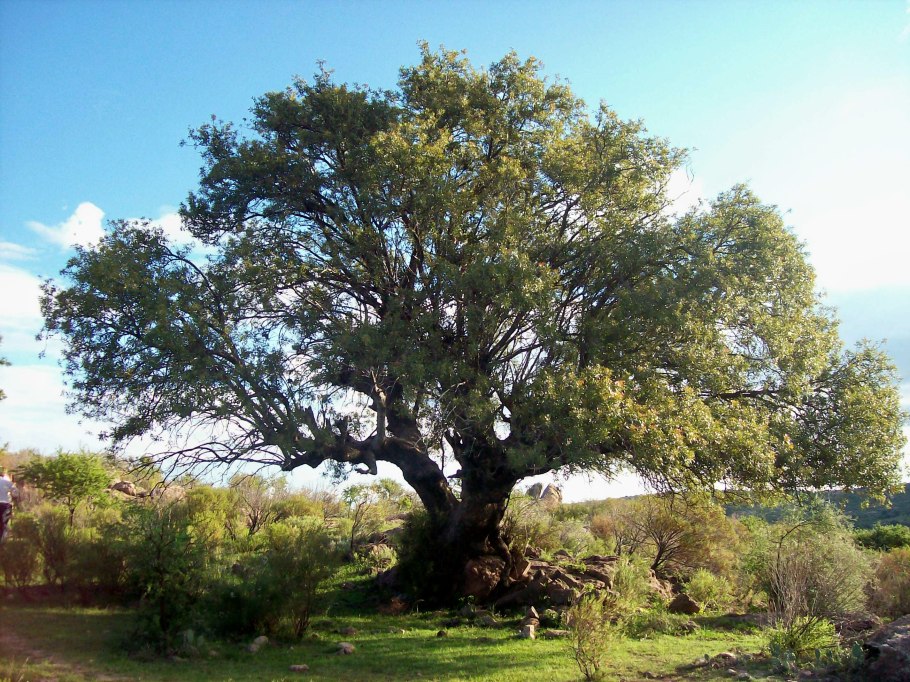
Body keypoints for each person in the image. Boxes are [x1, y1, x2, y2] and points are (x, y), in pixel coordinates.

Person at [0, 467, 16, 543]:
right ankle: (2, 542)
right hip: (5, 504)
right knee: (4, 524)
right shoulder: (7, 481)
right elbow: (15, 493)